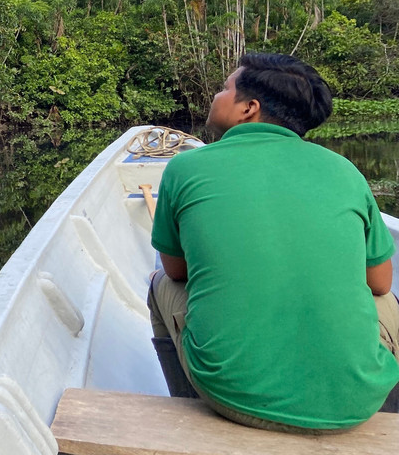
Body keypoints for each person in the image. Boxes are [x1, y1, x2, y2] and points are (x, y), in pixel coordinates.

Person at [149, 52, 399, 432]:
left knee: (159, 284)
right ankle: (387, 417)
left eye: (224, 88)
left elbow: (176, 270)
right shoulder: (345, 171)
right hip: (357, 404)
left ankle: (190, 418)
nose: (216, 95)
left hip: (233, 395)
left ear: (249, 108)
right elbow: (380, 282)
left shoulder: (186, 167)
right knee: (386, 297)